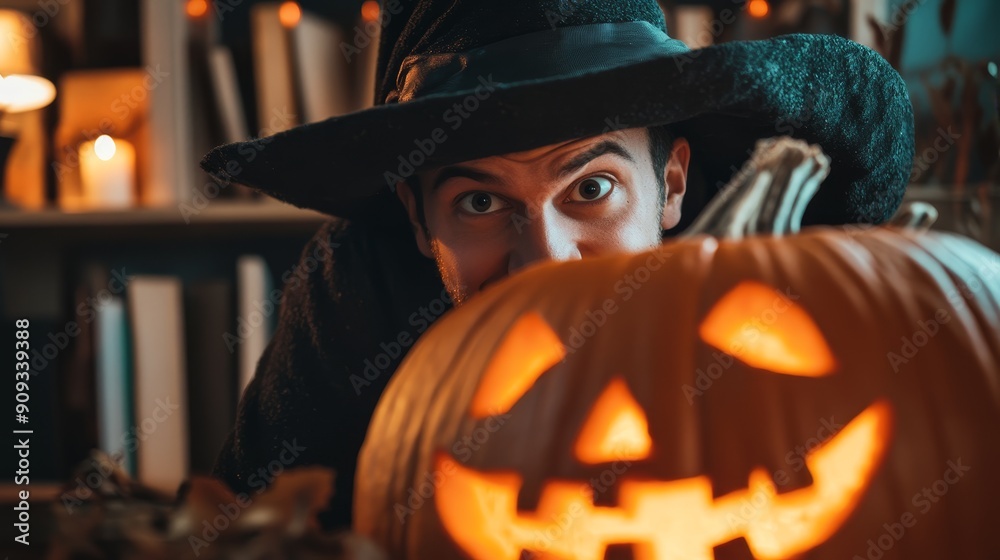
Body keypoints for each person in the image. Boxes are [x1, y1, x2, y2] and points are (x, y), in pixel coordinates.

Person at [199, 0, 914, 530]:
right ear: (420, 220)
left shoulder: (762, 280)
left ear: (669, 187)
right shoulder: (354, 294)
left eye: (592, 189)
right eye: (479, 201)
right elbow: (247, 527)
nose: (545, 260)